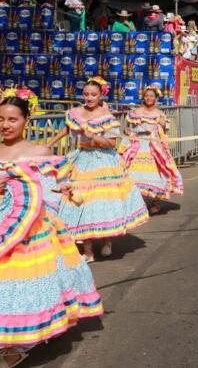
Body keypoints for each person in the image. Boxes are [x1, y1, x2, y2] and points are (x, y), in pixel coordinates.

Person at [0, 88, 103, 365]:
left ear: (27, 119)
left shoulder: (40, 151)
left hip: (29, 225)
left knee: (19, 282)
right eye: (0, 119)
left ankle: (18, 339)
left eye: (12, 119)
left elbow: (49, 190)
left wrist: (64, 190)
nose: (5, 125)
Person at [47, 77, 149, 262]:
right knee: (81, 202)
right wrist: (50, 143)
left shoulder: (106, 116)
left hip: (103, 162)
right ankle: (87, 251)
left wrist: (93, 137)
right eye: (86, 94)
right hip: (82, 160)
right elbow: (67, 128)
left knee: (103, 202)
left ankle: (106, 240)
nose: (89, 98)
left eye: (93, 94)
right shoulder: (76, 112)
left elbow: (111, 142)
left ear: (101, 95)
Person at [118, 86, 183, 215]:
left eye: (152, 96)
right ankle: (136, 204)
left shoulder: (159, 114)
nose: (149, 98)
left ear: (156, 98)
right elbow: (128, 127)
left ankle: (155, 202)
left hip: (153, 147)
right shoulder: (136, 112)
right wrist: (127, 132)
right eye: (147, 95)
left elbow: (165, 130)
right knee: (133, 174)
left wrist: (162, 125)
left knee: (155, 174)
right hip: (137, 146)